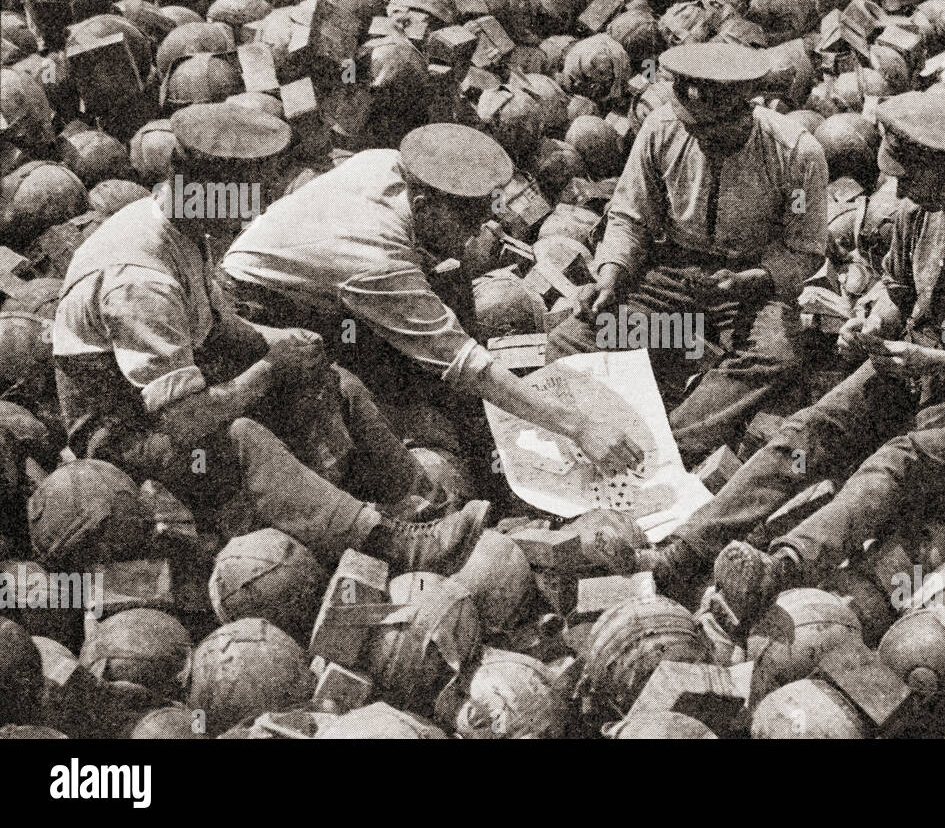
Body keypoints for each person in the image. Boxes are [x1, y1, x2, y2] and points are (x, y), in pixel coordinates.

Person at [641, 91, 945, 620]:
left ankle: (783, 568)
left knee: (893, 465)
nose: (897, 188)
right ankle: (684, 551)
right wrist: (873, 321)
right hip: (908, 367)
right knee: (808, 431)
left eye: (908, 177)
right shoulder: (918, 211)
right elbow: (898, 288)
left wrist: (934, 362)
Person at [51, 103, 487, 573]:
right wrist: (267, 369)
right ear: (203, 192)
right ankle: (396, 544)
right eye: (241, 202)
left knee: (337, 381)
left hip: (168, 395)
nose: (245, 218)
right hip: (124, 431)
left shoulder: (183, 223)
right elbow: (185, 421)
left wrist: (277, 341)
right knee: (242, 439)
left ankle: (419, 503)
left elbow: (214, 324)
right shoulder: (139, 281)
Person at [220, 123, 643, 477]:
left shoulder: (386, 162)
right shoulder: (377, 262)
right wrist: (579, 426)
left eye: (484, 214)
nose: (481, 230)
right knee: (367, 417)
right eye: (468, 220)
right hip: (260, 312)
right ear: (422, 206)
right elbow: (463, 363)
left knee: (451, 289)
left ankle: (468, 422)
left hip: (310, 288)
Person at [547, 42, 829, 462]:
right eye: (691, 127)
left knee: (777, 354)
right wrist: (609, 276)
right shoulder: (663, 129)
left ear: (745, 109)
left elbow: (803, 249)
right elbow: (631, 216)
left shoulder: (796, 155)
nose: (699, 138)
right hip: (673, 282)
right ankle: (660, 367)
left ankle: (670, 444)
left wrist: (755, 279)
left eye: (711, 130)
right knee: (572, 341)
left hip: (751, 290)